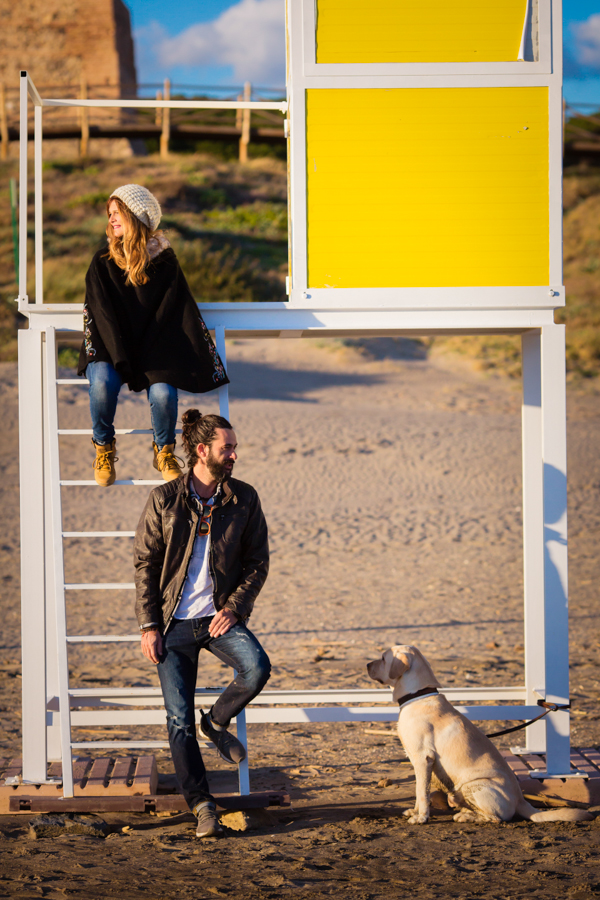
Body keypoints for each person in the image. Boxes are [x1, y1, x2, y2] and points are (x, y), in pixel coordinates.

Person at [133, 409, 271, 838]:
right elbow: (145, 563)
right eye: (226, 448)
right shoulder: (164, 499)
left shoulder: (243, 498)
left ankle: (214, 722)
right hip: (172, 623)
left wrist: (234, 608)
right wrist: (148, 625)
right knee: (177, 720)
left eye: (233, 447)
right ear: (201, 451)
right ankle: (203, 806)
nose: (233, 454)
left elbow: (257, 563)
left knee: (257, 668)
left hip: (217, 616)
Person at [77, 184, 229, 486]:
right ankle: (103, 445)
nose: (112, 220)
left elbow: (175, 310)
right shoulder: (102, 262)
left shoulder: (165, 262)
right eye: (110, 215)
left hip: (154, 346)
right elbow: (102, 314)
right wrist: (121, 357)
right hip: (109, 345)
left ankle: (164, 451)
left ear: (136, 215)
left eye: (117, 213)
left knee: (163, 393)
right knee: (104, 382)